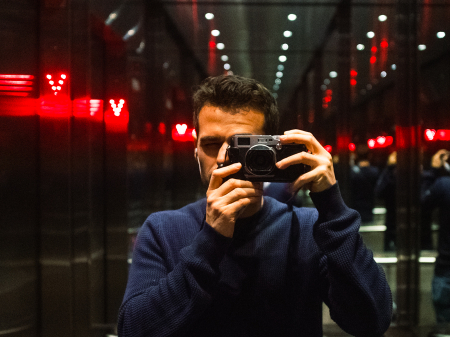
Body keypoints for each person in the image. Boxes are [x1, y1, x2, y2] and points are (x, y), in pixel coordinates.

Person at [118, 75, 392, 337]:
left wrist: (332, 207)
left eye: (242, 146)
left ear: (269, 150)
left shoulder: (305, 228)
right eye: (211, 144)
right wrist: (210, 240)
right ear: (195, 151)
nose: (225, 158)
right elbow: (134, 330)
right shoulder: (162, 229)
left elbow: (371, 320)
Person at [422, 149, 450, 330]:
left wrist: (432, 171)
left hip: (447, 262)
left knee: (444, 320)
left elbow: (422, 201)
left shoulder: (444, 184)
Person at [349, 146, 380, 224]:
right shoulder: (374, 172)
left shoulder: (353, 173)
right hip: (370, 207)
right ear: (369, 155)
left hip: (356, 208)